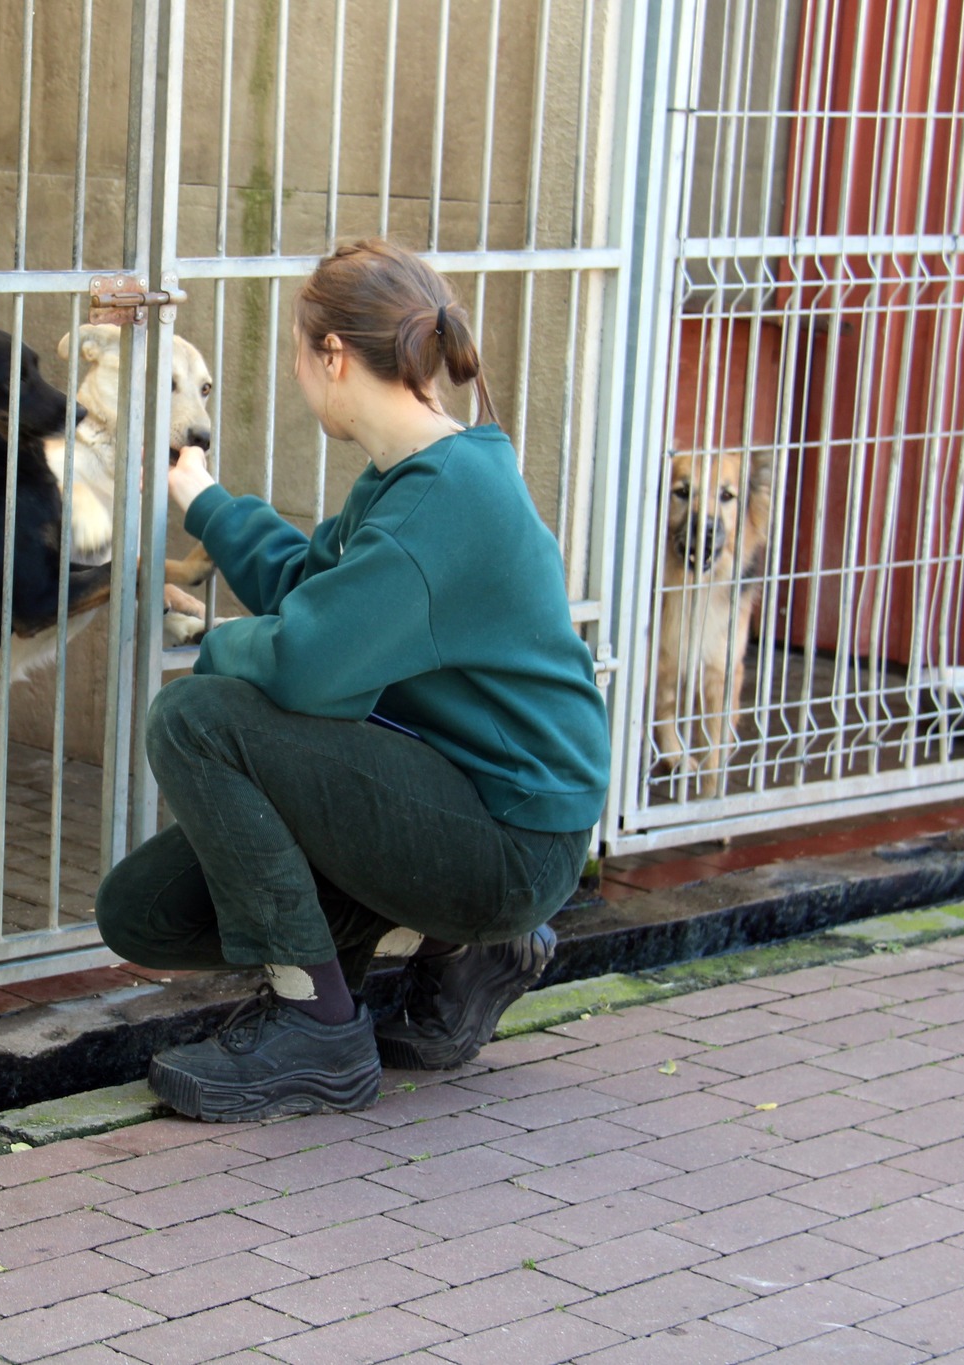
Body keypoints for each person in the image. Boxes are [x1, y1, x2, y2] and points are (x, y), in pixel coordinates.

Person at [94, 238, 611, 1123]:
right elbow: (312, 589)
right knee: (144, 911)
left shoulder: (441, 502)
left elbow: (305, 664)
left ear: (332, 354)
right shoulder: (411, 476)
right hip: (468, 804)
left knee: (195, 717)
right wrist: (203, 497)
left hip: (514, 839)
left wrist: (220, 640)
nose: (298, 372)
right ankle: (463, 952)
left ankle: (318, 1027)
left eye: (300, 352)